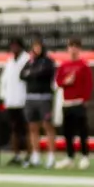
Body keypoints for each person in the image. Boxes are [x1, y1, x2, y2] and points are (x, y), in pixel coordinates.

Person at [54, 38, 92, 169]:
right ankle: (69, 157)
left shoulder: (83, 65)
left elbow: (88, 84)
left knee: (82, 131)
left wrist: (85, 99)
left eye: (76, 46)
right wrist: (66, 82)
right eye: (71, 46)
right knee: (67, 132)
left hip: (78, 102)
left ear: (79, 49)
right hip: (67, 103)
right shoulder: (64, 65)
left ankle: (85, 156)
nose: (73, 49)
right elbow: (58, 82)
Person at [21, 37, 58, 169]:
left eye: (38, 46)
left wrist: (32, 73)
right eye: (34, 47)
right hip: (31, 98)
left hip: (44, 98)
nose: (36, 49)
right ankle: (35, 155)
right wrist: (32, 72)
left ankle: (51, 156)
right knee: (32, 127)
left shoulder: (47, 61)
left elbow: (43, 74)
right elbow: (22, 75)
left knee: (47, 126)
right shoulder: (30, 62)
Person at [0, 38, 29, 166]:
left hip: (24, 100)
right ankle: (16, 155)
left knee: (27, 129)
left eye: (16, 45)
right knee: (14, 129)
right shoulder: (9, 61)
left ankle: (30, 155)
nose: (14, 48)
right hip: (11, 101)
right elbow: (4, 80)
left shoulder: (27, 60)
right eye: (12, 46)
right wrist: (4, 97)